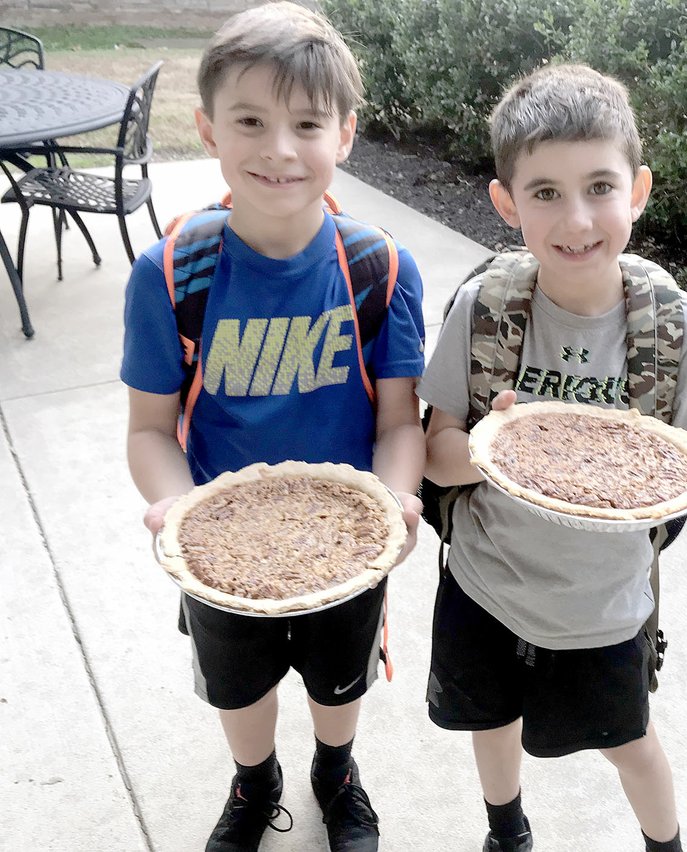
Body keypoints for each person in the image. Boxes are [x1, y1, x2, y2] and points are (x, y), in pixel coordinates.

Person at [121, 4, 425, 851]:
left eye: (306, 124)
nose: (279, 149)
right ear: (208, 129)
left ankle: (338, 769)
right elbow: (149, 429)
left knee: (338, 680)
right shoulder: (174, 269)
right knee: (238, 685)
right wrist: (176, 509)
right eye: (250, 121)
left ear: (347, 135)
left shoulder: (379, 268)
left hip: (349, 541)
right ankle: (256, 783)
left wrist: (396, 501)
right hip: (221, 547)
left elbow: (398, 417)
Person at [417, 63, 687, 852]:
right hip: (487, 582)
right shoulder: (485, 308)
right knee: (489, 721)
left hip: (606, 604)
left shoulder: (674, 325)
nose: (578, 218)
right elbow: (436, 452)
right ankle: (506, 830)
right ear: (507, 202)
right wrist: (498, 454)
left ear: (638, 189)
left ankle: (663, 842)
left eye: (601, 186)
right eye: (546, 192)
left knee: (629, 741)